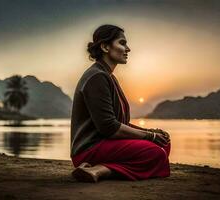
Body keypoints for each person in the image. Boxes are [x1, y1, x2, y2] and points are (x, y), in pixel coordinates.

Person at [70, 24, 171, 182]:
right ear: (105, 47)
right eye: (122, 43)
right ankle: (101, 170)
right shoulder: (96, 77)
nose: (128, 49)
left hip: (107, 143)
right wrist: (149, 136)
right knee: (156, 153)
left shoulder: (107, 76)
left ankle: (99, 167)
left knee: (164, 143)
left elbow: (119, 123)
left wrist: (150, 132)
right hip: (90, 149)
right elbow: (109, 127)